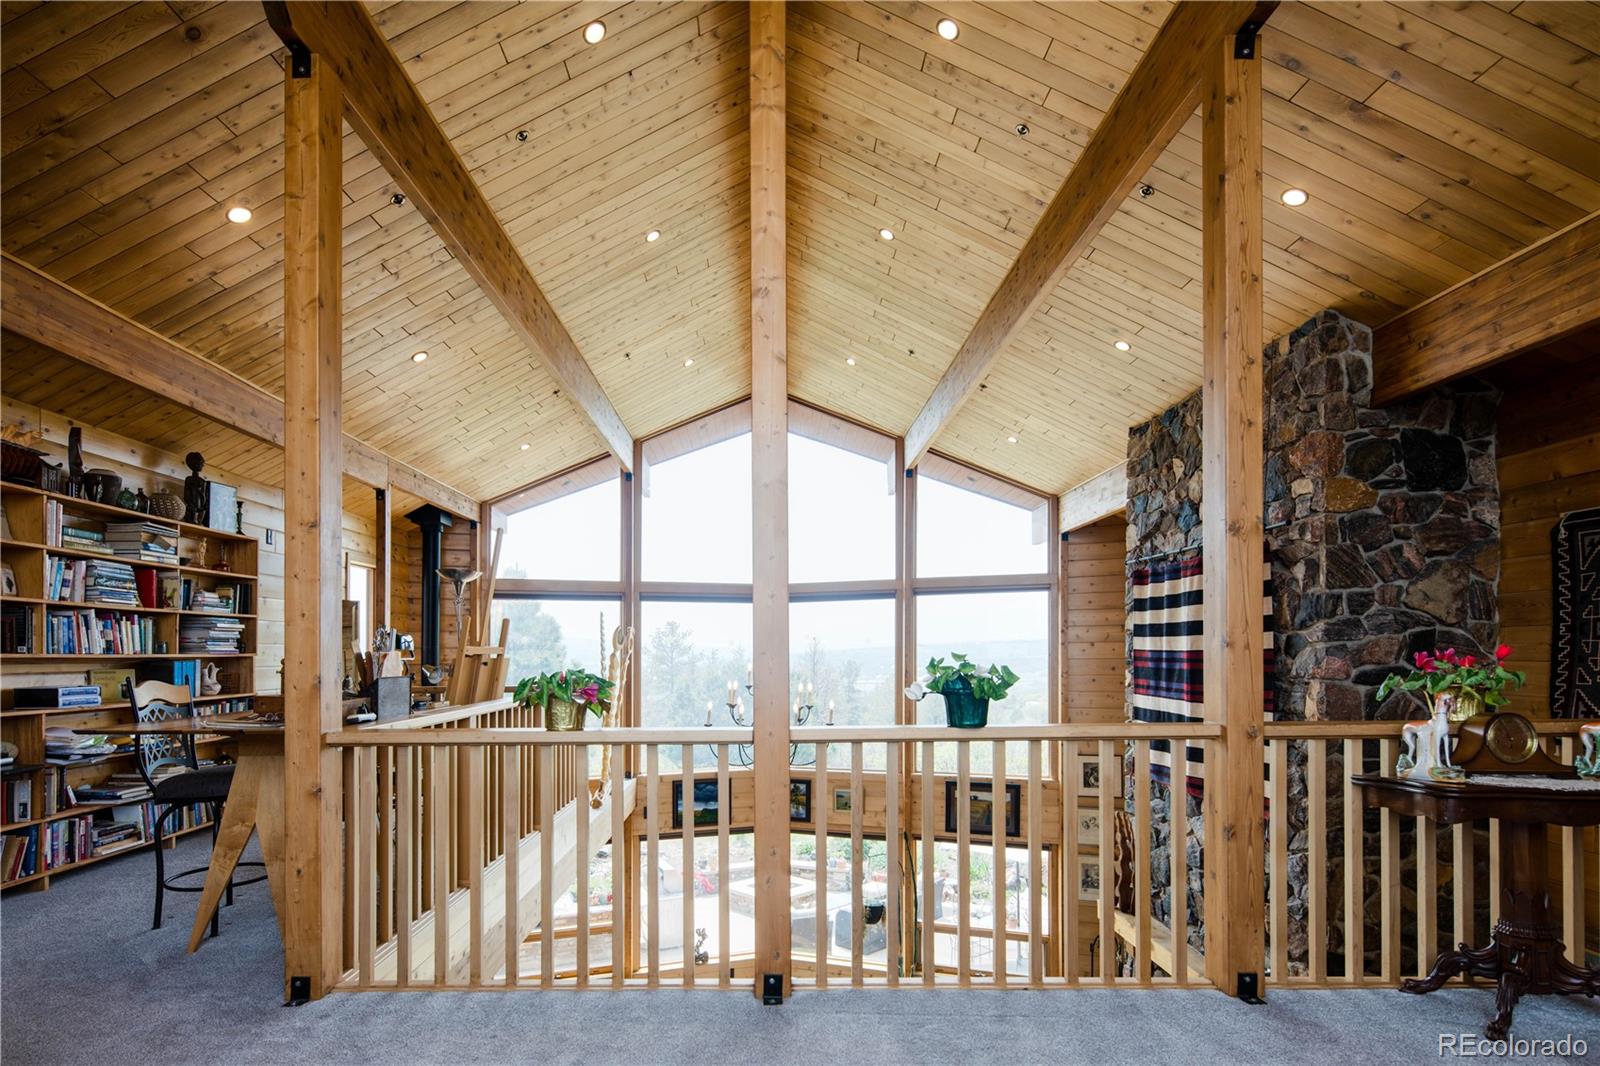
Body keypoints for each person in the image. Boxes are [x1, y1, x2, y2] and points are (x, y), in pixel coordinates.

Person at [182, 451, 208, 525]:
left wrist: (202, 506)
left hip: (200, 507)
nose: (202, 465)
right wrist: (190, 504)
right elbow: (186, 494)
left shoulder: (202, 481)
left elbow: (203, 496)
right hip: (191, 507)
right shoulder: (189, 479)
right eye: (201, 463)